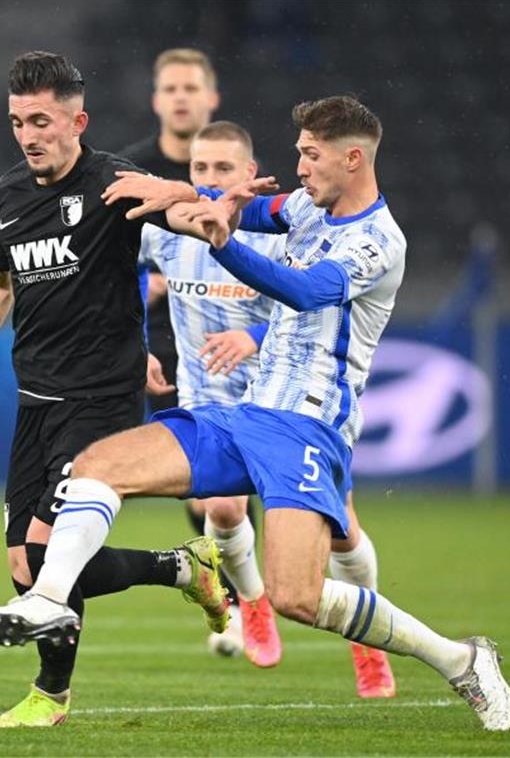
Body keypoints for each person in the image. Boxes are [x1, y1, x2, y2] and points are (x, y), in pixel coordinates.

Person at [0, 95, 510, 731]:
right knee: (100, 463)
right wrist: (186, 191)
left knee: (297, 596)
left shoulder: (378, 240)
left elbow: (306, 289)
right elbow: (253, 208)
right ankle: (47, 598)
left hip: (308, 427)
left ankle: (460, 659)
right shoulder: (308, 207)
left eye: (310, 155)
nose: (300, 166)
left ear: (352, 158)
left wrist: (223, 241)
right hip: (246, 413)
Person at [0, 51, 229, 729]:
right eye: (16, 122)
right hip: (38, 401)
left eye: (40, 120)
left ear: (76, 120)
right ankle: (182, 569)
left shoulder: (114, 181)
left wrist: (196, 204)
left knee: (44, 552)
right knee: (22, 569)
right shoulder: (7, 196)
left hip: (103, 400)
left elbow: (177, 209)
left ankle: (51, 697)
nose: (28, 134)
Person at [147, 120, 396, 695]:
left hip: (284, 392)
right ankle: (252, 602)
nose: (209, 179)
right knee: (226, 508)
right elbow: (130, 279)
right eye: (199, 169)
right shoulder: (167, 230)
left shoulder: (286, 232)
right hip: (207, 388)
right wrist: (139, 339)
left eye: (223, 170)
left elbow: (312, 305)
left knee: (342, 532)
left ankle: (368, 640)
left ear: (249, 172)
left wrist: (252, 338)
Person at [119, 48, 264, 655]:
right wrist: (136, 334)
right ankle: (237, 601)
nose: (180, 97)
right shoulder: (135, 172)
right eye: (170, 88)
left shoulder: (245, 189)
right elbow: (114, 262)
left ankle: (243, 595)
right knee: (206, 491)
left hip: (246, 345)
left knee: (238, 487)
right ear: (157, 99)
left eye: (190, 88)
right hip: (166, 342)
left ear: (211, 99)